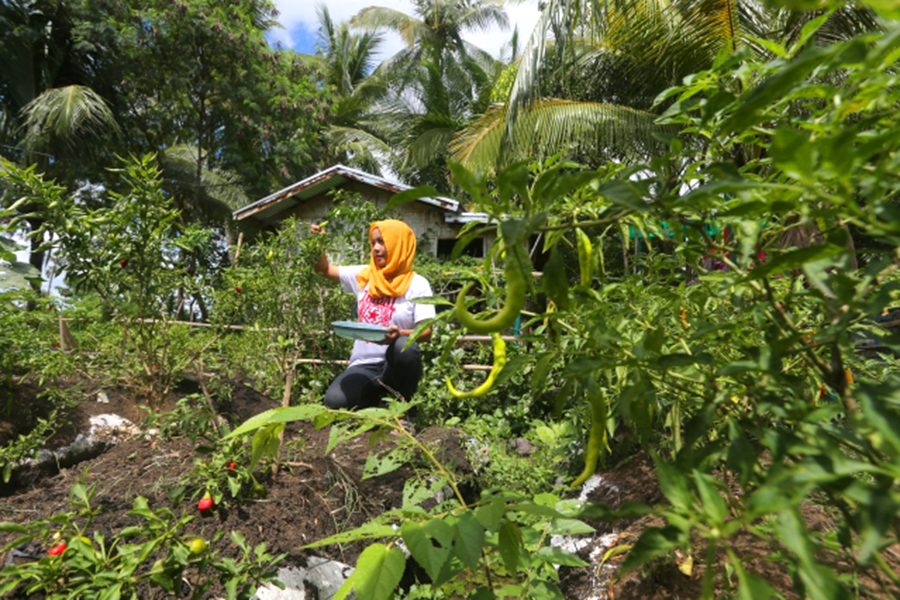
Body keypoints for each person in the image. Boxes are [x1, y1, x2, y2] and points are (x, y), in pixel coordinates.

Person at [311, 220, 435, 414]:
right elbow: (324, 270)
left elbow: (426, 332)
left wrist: (400, 333)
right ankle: (375, 404)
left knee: (404, 346)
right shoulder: (364, 275)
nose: (376, 248)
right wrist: (318, 244)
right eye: (373, 243)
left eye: (382, 242)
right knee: (334, 401)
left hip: (395, 365)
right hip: (364, 364)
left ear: (399, 243)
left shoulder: (417, 284)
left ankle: (402, 412)